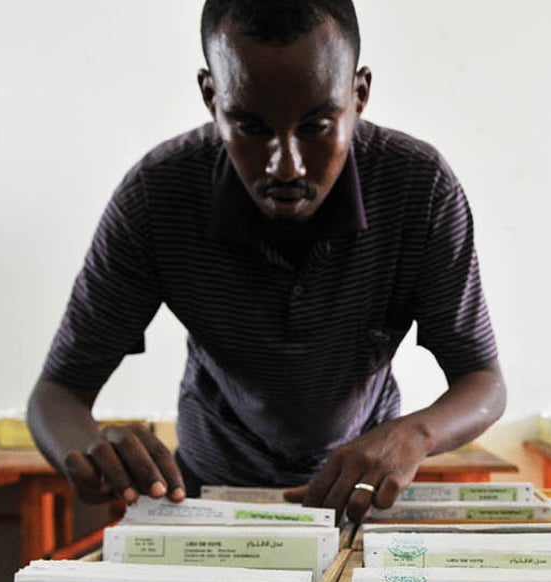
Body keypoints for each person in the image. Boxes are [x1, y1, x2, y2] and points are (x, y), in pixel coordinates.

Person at [28, 0, 506, 523]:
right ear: (212, 97)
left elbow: (483, 380)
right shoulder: (157, 195)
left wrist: (415, 433)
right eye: (251, 127)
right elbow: (56, 395)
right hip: (206, 500)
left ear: (359, 94)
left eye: (317, 125)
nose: (285, 165)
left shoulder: (420, 188)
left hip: (360, 501)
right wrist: (93, 452)